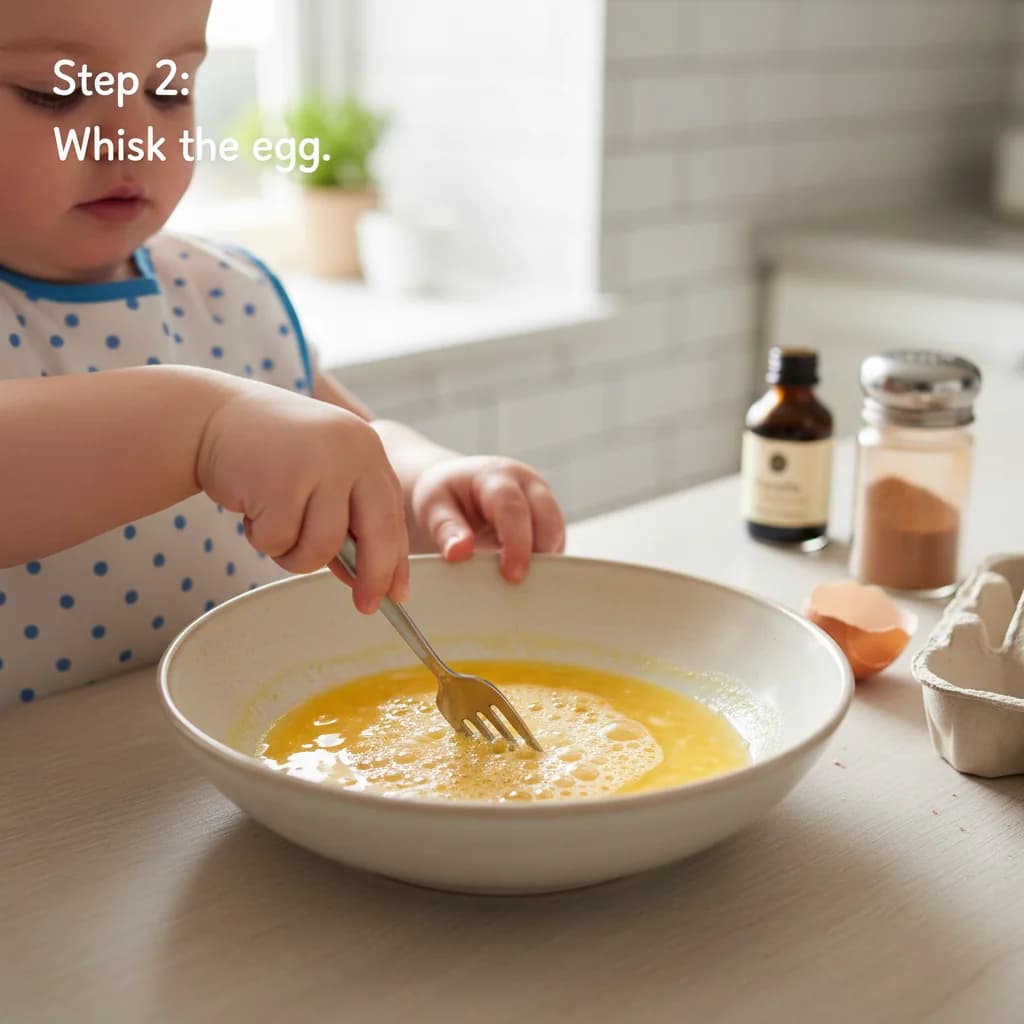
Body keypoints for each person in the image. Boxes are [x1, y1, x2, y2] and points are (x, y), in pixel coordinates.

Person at [0, 0, 566, 708]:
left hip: (230, 768)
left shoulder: (226, 294)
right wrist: (202, 428)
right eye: (55, 93)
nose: (134, 138)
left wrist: (424, 487)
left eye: (169, 90)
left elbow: (347, 450)